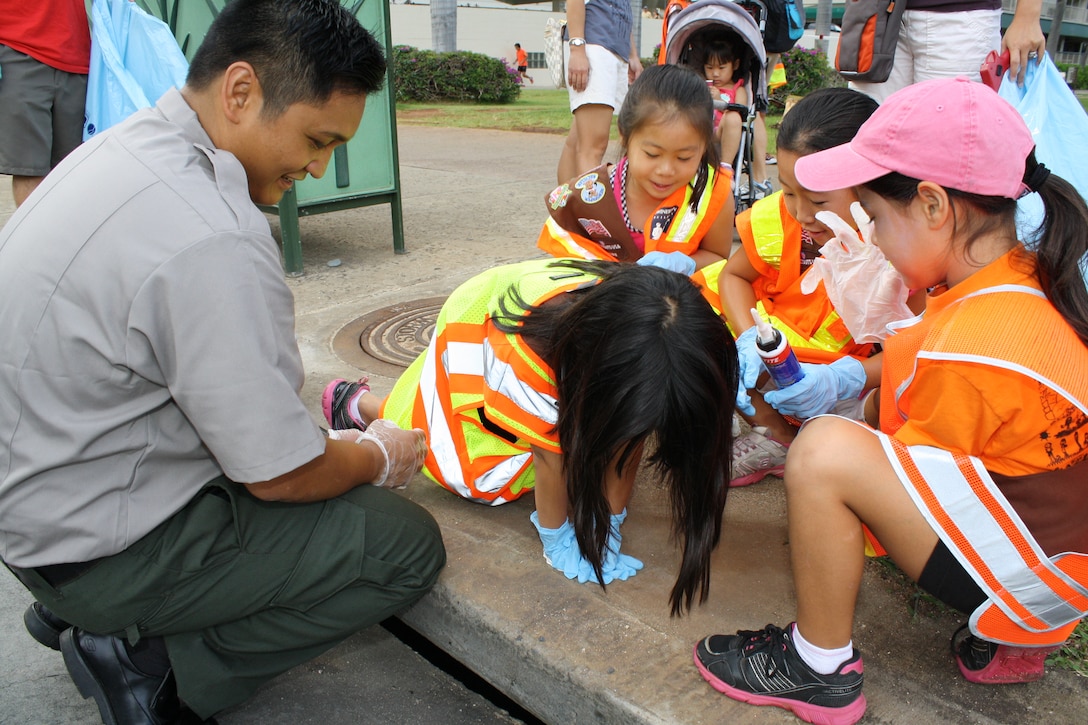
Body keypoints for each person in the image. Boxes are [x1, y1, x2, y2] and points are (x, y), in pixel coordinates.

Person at [0, 2, 445, 723]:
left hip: (34, 516)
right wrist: (371, 455)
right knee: (399, 543)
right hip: (94, 553)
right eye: (315, 138)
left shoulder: (121, 147)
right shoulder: (215, 235)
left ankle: (94, 611)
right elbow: (281, 474)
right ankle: (152, 660)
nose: (319, 166)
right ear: (240, 92)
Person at [694, 77, 1088, 725]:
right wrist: (852, 378)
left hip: (1030, 580)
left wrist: (835, 415)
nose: (870, 238)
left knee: (825, 455)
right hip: (1061, 564)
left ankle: (817, 667)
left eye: (875, 217)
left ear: (934, 205)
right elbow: (928, 343)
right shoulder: (1026, 274)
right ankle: (1018, 640)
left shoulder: (965, 349)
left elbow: (902, 477)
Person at [322, 257, 738, 615]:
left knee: (584, 442)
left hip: (559, 334)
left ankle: (367, 405)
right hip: (479, 323)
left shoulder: (666, 326)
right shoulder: (524, 356)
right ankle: (361, 405)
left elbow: (627, 444)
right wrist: (556, 535)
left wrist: (610, 523)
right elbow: (549, 459)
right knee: (477, 472)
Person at [691, 87, 889, 487]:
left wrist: (848, 377)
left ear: (872, 187)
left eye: (817, 201)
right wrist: (748, 339)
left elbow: (919, 353)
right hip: (786, 352)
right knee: (691, 314)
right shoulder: (785, 219)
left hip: (851, 379)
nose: (801, 214)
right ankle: (776, 436)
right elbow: (732, 275)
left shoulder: (900, 245)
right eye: (788, 192)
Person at [539, 64, 734, 274]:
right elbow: (563, 266)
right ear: (625, 135)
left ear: (705, 145)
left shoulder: (712, 195)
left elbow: (718, 258)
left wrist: (688, 264)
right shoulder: (588, 196)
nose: (666, 170)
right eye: (652, 154)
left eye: (684, 157)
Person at [850, 0, 1045, 103]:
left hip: (959, 18)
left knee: (947, 147)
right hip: (875, 15)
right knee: (865, 140)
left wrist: (1028, 14)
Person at [0, 0, 89, 207]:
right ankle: (36, 239)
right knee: (30, 168)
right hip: (17, 48)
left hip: (77, 54)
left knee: (73, 171)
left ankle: (67, 238)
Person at [556, 0, 644, 184]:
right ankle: (588, 210)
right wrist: (577, 48)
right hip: (594, 45)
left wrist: (632, 55)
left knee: (580, 139)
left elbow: (624, 10)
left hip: (614, 49)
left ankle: (564, 207)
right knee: (593, 146)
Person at [689, 30, 749, 170]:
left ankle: (725, 167)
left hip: (722, 131)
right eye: (709, 68)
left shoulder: (737, 89)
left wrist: (719, 99)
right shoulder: (700, 85)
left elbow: (742, 111)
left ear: (734, 65)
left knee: (734, 116)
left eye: (722, 68)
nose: (715, 74)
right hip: (701, 129)